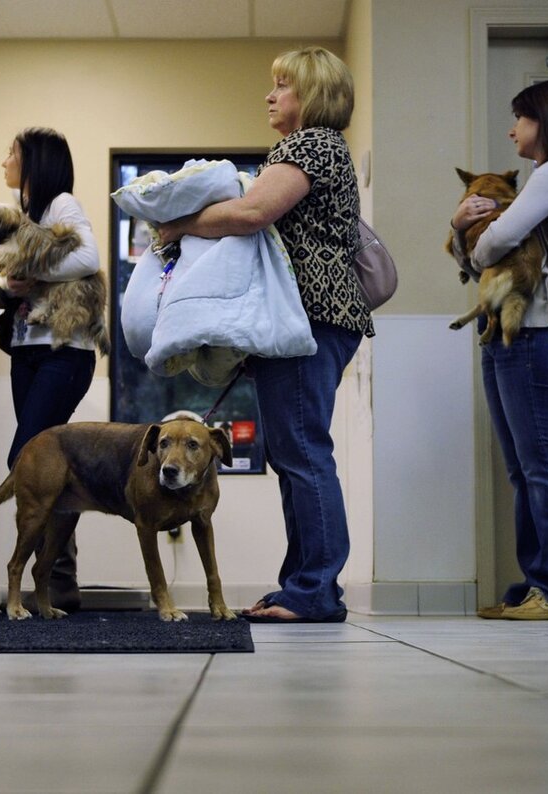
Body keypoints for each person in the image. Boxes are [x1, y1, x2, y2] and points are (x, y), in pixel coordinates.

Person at [157, 46, 372, 623]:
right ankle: (301, 584)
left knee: (302, 453)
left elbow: (251, 214)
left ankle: (316, 592)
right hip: (308, 323)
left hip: (309, 322)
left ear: (314, 96)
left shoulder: (311, 145)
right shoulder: (319, 150)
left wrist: (177, 225)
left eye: (283, 85)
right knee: (292, 453)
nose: (270, 95)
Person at [448, 78, 548, 620]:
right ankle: (540, 584)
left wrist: (464, 226)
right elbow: (478, 265)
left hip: (541, 331)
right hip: (516, 330)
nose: (512, 129)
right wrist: (466, 232)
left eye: (521, 118)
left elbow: (491, 242)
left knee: (540, 464)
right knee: (522, 467)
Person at [0, 127, 103, 612]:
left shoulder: (61, 203)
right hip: (31, 351)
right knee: (44, 467)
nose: (4, 161)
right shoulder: (29, 215)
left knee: (26, 460)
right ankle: (56, 584)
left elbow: (88, 256)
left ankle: (52, 579)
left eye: (13, 154)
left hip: (64, 352)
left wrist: (33, 272)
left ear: (34, 163)